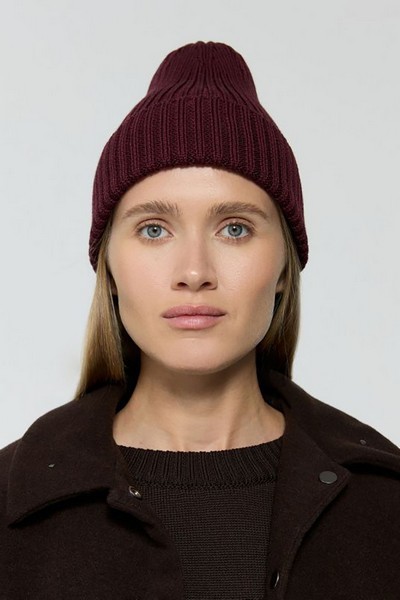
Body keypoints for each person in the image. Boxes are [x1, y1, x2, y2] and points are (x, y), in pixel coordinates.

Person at [1, 41, 399, 600]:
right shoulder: (10, 504)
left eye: (235, 228)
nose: (194, 272)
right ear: (109, 268)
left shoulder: (385, 504)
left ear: (283, 268)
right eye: (153, 229)